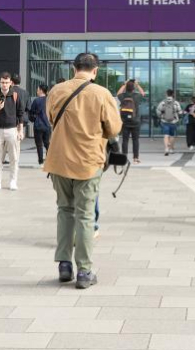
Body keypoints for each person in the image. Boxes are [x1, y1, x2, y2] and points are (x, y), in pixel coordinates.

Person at [45, 53, 122, 289]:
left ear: (74, 68)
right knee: (86, 215)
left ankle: (64, 265)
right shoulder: (101, 94)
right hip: (88, 162)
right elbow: (114, 128)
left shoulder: (56, 91)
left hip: (59, 160)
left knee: (64, 210)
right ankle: (84, 271)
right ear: (95, 71)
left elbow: (50, 119)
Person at [0, 71, 25, 191]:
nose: (4, 85)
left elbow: (20, 113)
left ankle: (13, 181)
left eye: (6, 82)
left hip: (12, 130)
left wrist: (20, 130)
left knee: (14, 158)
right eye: (2, 82)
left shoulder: (15, 95)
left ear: (10, 83)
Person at [117, 80, 145, 163]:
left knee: (125, 140)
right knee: (135, 140)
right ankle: (135, 158)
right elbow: (143, 93)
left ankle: (124, 158)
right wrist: (137, 84)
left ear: (126, 88)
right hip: (135, 121)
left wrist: (124, 84)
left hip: (125, 121)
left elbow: (118, 93)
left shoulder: (123, 96)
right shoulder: (137, 96)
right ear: (133, 88)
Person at [28, 84, 51, 165]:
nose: (37, 91)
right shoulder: (49, 100)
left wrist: (33, 119)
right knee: (47, 143)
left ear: (41, 90)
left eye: (38, 89)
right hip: (47, 125)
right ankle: (50, 159)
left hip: (38, 125)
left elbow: (31, 113)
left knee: (39, 144)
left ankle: (40, 160)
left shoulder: (36, 101)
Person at [157, 89, 183, 157]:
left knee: (166, 135)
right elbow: (180, 112)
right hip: (173, 122)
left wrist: (161, 116)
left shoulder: (162, 102)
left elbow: (158, 111)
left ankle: (166, 149)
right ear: (173, 94)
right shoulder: (176, 103)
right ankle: (171, 149)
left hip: (164, 121)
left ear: (166, 94)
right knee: (172, 135)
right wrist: (178, 116)